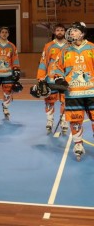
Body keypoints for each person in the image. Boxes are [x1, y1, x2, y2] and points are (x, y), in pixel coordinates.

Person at [53, 21, 94, 161]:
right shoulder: (65, 50)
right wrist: (59, 79)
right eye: (71, 31)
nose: (71, 33)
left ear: (82, 33)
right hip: (73, 92)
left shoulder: (92, 48)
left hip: (91, 91)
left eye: (75, 30)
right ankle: (78, 144)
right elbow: (56, 67)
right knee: (75, 120)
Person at [36, 23, 69, 134]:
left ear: (65, 32)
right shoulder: (48, 46)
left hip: (65, 79)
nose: (60, 32)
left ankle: (64, 121)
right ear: (54, 32)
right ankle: (49, 120)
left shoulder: (69, 46)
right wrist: (41, 77)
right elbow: (43, 62)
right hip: (51, 78)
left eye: (62, 30)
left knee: (65, 101)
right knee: (49, 101)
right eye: (57, 30)